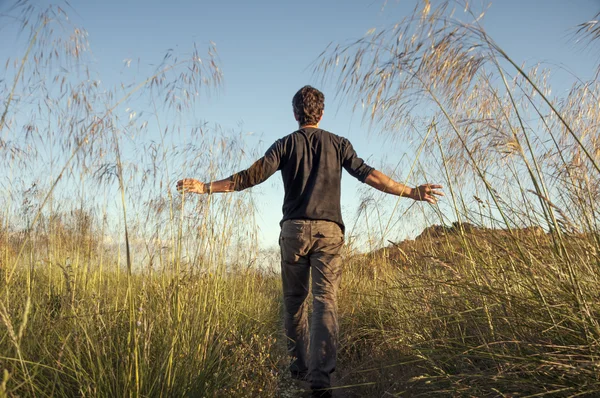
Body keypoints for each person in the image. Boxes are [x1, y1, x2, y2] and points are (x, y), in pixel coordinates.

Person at [176, 85, 443, 397]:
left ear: (295, 114)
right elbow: (371, 176)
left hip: (293, 233)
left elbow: (249, 177)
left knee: (293, 304)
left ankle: (299, 370)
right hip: (329, 233)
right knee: (324, 302)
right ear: (322, 113)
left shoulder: (285, 144)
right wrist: (412, 192)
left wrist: (206, 187)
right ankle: (321, 380)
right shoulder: (339, 144)